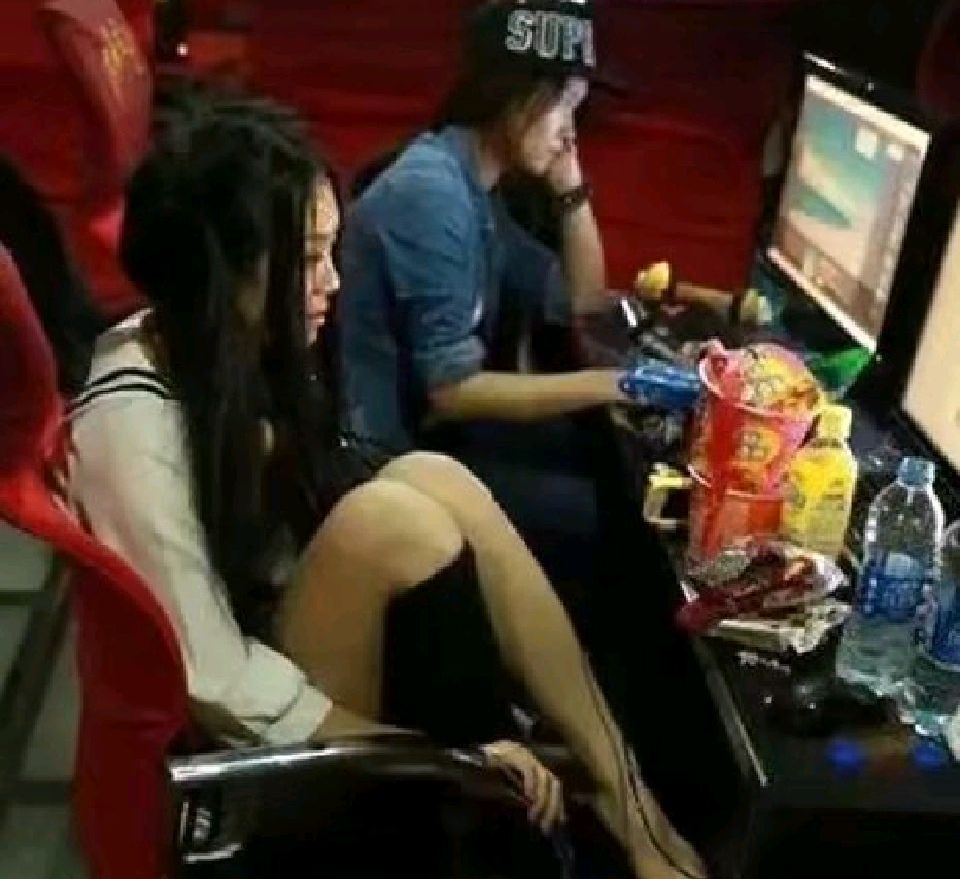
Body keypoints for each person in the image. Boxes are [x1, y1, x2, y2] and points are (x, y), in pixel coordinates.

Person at [50, 93, 703, 879]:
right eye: (307, 259)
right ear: (225, 268)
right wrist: (437, 755)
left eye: (331, 251)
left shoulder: (221, 352)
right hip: (242, 754)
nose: (331, 281)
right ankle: (494, 807)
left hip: (281, 642)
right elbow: (218, 683)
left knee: (430, 476)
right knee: (390, 519)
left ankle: (628, 801)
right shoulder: (130, 426)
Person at [338, 0, 631, 590]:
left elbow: (580, 299)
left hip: (427, 440)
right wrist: (622, 385)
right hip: (379, 461)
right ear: (512, 98)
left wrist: (571, 188)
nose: (569, 135)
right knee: (598, 518)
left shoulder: (477, 187)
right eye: (562, 108)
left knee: (600, 466)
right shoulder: (434, 194)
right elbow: (453, 391)